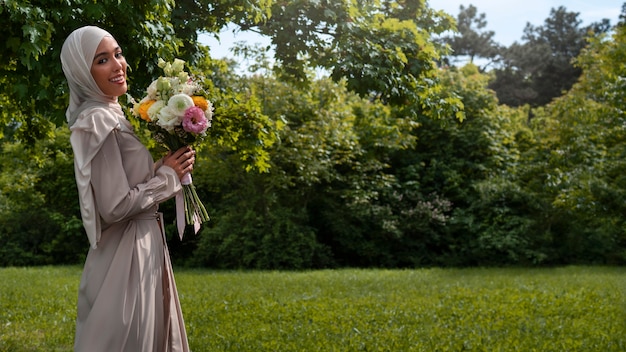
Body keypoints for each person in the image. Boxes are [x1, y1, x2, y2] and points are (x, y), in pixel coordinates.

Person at [61, 25, 193, 351]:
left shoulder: (113, 112)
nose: (118, 64)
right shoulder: (97, 119)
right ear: (82, 72)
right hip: (126, 254)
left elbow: (130, 182)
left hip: (142, 243)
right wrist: (168, 177)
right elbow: (115, 205)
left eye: (118, 54)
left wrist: (165, 164)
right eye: (102, 60)